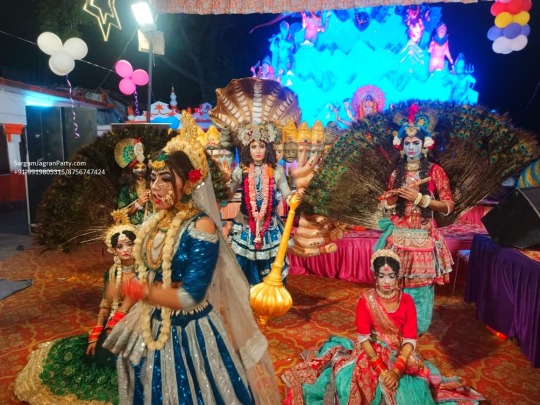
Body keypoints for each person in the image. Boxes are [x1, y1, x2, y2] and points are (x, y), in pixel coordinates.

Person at [103, 114, 280, 404]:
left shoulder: (201, 226)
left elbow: (190, 296)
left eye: (165, 179)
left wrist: (137, 290)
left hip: (189, 330)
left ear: (188, 183)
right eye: (153, 178)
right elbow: (146, 273)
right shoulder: (155, 221)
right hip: (151, 320)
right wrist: (123, 309)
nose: (155, 188)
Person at [282, 249, 484, 405]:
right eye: (381, 276)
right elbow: (364, 338)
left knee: (409, 394)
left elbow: (410, 339)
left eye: (391, 276)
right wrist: (380, 369)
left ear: (397, 277)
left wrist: (396, 370)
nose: (386, 281)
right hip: (371, 350)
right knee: (350, 385)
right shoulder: (366, 300)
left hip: (400, 352)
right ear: (375, 277)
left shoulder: (406, 301)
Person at [14, 213, 138, 404]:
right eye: (120, 246)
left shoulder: (145, 271)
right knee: (98, 358)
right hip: (114, 323)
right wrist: (95, 334)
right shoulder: (112, 273)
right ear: (113, 250)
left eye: (129, 244)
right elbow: (105, 307)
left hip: (139, 323)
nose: (126, 250)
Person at [380, 104, 454, 335]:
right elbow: (388, 210)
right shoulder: (395, 174)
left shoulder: (435, 172)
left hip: (423, 239)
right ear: (401, 146)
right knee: (393, 286)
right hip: (398, 239)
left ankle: (415, 334)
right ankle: (395, 333)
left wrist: (421, 200)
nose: (411, 147)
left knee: (420, 293)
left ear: (424, 145)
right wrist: (390, 201)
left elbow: (448, 206)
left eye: (415, 143)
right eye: (407, 143)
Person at [229, 123, 293, 285]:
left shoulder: (276, 170)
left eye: (262, 146)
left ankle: (269, 295)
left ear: (267, 149)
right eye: (253, 147)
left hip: (269, 225)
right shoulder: (241, 171)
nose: (258, 151)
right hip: (246, 224)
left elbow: (286, 193)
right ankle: (248, 295)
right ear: (247, 149)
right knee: (245, 263)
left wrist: (292, 198)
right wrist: (224, 180)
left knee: (271, 264)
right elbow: (228, 194)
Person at [115, 138, 152, 226]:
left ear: (147, 168)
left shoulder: (153, 184)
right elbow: (121, 216)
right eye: (136, 168)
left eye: (143, 167)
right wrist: (138, 204)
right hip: (134, 227)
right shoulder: (125, 190)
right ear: (131, 170)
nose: (140, 170)